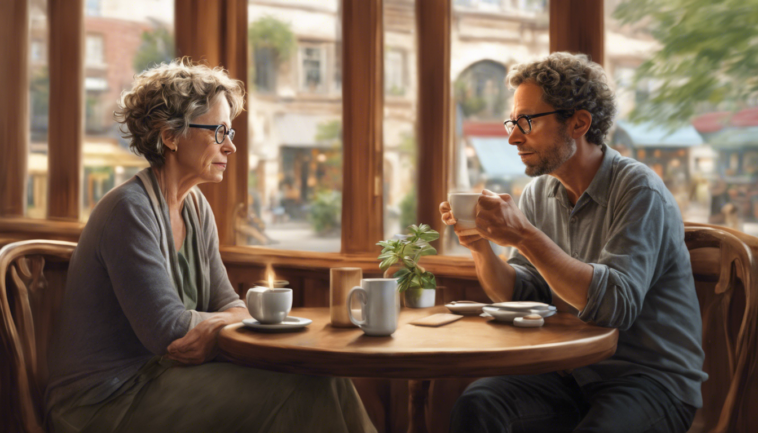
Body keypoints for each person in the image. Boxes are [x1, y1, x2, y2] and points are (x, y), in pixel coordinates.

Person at [45, 58, 376, 433]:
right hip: (105, 400)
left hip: (167, 378)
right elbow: (168, 330)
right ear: (170, 135)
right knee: (305, 392)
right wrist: (225, 324)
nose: (231, 147)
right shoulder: (128, 210)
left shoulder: (196, 207)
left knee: (326, 377)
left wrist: (218, 324)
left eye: (230, 133)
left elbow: (231, 305)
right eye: (219, 132)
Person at [440, 52, 707, 433]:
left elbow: (616, 305)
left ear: (579, 122)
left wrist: (525, 236)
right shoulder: (539, 193)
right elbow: (522, 293)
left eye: (527, 121)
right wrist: (480, 246)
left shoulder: (639, 190)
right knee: (479, 403)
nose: (514, 136)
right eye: (512, 122)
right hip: (567, 371)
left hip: (650, 382)